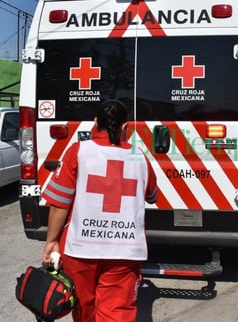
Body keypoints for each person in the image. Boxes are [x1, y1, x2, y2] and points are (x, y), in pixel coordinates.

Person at [41, 99, 158, 322]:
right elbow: (152, 195)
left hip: (80, 248)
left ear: (95, 122)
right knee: (117, 311)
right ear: (126, 127)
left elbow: (60, 203)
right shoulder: (139, 156)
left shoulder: (78, 151)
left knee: (83, 309)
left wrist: (51, 241)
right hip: (126, 250)